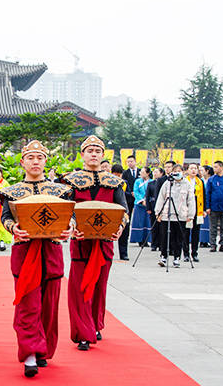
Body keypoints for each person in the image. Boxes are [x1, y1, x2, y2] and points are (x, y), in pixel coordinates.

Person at [0, 140, 72, 377]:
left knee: (49, 305)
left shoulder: (61, 190)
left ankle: (43, 350)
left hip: (51, 251)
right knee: (28, 304)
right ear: (22, 162)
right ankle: (29, 352)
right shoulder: (11, 192)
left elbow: (69, 217)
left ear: (45, 161)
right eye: (30, 157)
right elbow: (6, 218)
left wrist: (69, 227)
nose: (35, 161)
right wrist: (13, 229)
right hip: (25, 251)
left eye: (40, 157)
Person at [62, 136, 127, 351]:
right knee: (79, 287)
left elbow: (123, 210)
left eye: (97, 151)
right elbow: (67, 209)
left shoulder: (114, 182)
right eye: (89, 150)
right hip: (81, 241)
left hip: (104, 241)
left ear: (103, 155)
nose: (93, 154)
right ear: (82, 154)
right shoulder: (70, 181)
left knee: (99, 286)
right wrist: (72, 225)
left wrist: (120, 227)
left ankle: (95, 324)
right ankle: (83, 332)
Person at [155, 164, 195, 267]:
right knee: (165, 237)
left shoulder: (187, 184)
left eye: (179, 171)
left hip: (181, 215)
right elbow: (161, 198)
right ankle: (163, 256)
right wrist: (158, 212)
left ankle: (177, 257)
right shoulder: (167, 183)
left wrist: (190, 214)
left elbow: (191, 200)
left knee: (179, 238)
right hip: (167, 214)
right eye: (175, 171)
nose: (177, 173)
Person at [206, 161, 223, 252]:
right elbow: (208, 193)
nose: (214, 169)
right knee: (213, 227)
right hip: (213, 207)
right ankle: (213, 244)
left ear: (221, 167)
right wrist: (207, 206)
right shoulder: (211, 179)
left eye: (216, 167)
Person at [183, 163, 205, 262]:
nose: (193, 170)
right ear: (187, 170)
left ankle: (194, 253)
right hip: (186, 209)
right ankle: (186, 254)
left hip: (197, 208)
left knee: (196, 232)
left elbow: (204, 195)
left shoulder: (200, 182)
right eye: (191, 168)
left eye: (195, 168)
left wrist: (204, 209)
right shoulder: (184, 181)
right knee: (186, 232)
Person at [119, 155, 139, 260]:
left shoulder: (141, 172)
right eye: (128, 162)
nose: (130, 163)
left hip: (131, 201)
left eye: (131, 161)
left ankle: (124, 252)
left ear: (135, 161)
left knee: (127, 222)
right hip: (124, 201)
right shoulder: (125, 174)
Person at [130, 166, 151, 247]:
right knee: (139, 222)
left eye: (143, 172)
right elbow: (136, 191)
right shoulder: (138, 181)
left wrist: (148, 201)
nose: (141, 174)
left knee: (147, 222)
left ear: (148, 173)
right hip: (139, 204)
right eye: (141, 172)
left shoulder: (151, 182)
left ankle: (146, 239)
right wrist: (142, 200)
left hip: (148, 205)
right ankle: (139, 239)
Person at [145, 167, 164, 251]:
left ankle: (161, 244)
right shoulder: (151, 183)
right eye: (154, 172)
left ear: (161, 173)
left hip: (162, 207)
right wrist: (148, 207)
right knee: (153, 226)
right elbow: (147, 196)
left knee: (161, 227)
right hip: (152, 206)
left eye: (156, 172)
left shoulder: (164, 183)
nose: (155, 173)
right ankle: (154, 244)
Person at [199, 165, 214, 247]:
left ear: (207, 171)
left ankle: (208, 241)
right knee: (202, 223)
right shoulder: (200, 181)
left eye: (202, 170)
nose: (200, 172)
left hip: (210, 205)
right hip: (201, 204)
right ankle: (202, 240)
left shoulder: (212, 180)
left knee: (209, 224)